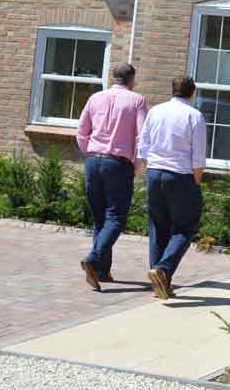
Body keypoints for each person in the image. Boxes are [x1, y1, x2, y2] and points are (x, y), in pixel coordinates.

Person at [76, 63, 148, 292]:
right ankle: (95, 259)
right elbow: (142, 136)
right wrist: (137, 164)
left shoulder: (95, 98)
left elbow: (81, 131)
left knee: (100, 218)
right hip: (117, 164)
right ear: (131, 80)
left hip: (93, 160)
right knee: (116, 217)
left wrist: (90, 152)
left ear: (113, 77)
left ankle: (102, 271)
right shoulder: (137, 100)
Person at [138, 76, 207, 300]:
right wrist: (196, 182)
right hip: (180, 175)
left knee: (158, 226)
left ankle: (160, 281)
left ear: (172, 90)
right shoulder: (194, 116)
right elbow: (198, 156)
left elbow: (144, 144)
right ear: (192, 92)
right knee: (186, 227)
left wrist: (150, 167)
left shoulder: (156, 111)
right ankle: (164, 270)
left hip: (155, 172)